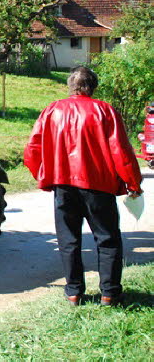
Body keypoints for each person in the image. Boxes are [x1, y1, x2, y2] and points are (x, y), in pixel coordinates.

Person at [24, 66, 142, 307]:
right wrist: (133, 182)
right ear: (93, 86)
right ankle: (109, 293)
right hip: (98, 185)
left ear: (71, 85)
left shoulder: (52, 110)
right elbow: (121, 150)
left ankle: (73, 292)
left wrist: (45, 176)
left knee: (68, 240)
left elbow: (32, 150)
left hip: (63, 184)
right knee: (107, 239)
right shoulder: (104, 110)